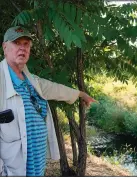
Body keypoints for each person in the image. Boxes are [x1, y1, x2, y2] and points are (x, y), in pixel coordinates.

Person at [0, 26, 96, 176]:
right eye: (17, 43)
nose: (22, 48)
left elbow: (55, 89)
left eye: (26, 44)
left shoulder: (31, 80)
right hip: (13, 170)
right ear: (5, 47)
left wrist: (81, 94)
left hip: (37, 165)